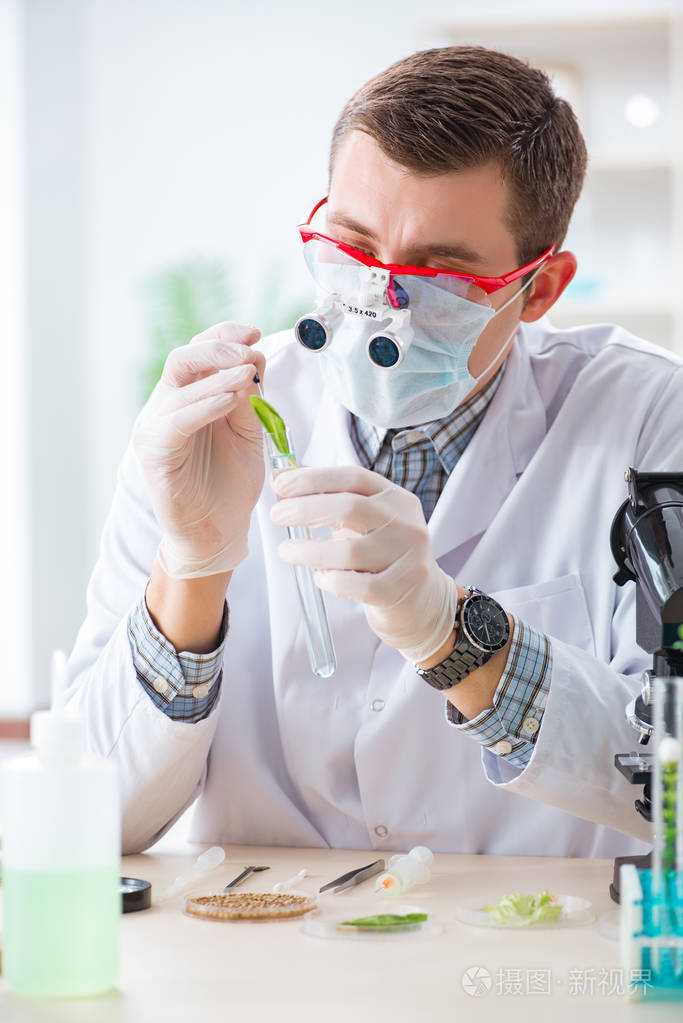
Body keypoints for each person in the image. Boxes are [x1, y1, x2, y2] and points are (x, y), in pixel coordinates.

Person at [68, 46, 682, 857]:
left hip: (525, 959)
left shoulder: (649, 420)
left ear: (539, 288)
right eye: (352, 246)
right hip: (260, 952)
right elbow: (87, 817)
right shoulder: (213, 423)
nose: (381, 302)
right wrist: (189, 568)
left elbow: (667, 786)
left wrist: (448, 631)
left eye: (438, 273)